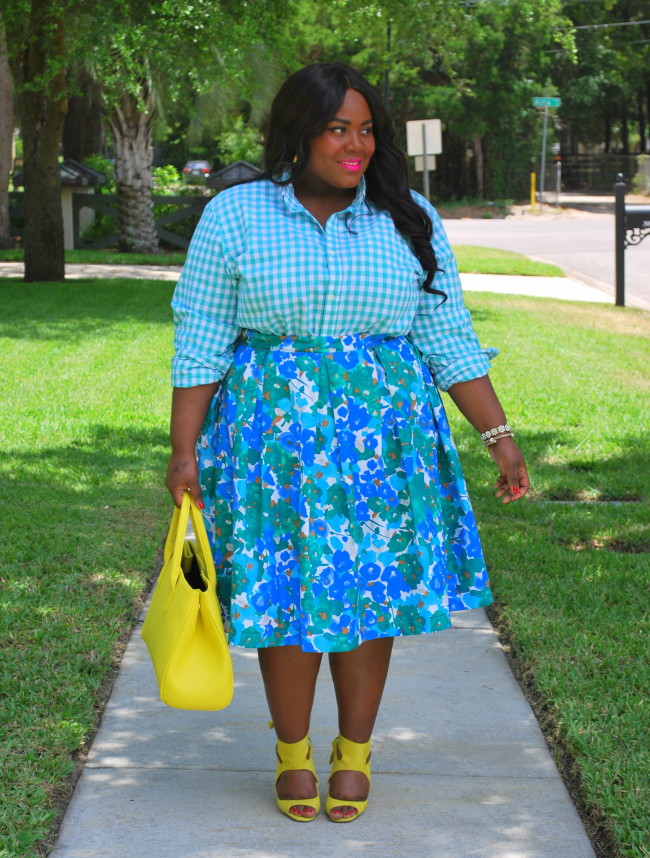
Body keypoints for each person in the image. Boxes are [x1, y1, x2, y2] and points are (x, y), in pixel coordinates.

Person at [166, 62, 529, 824]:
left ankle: (356, 752)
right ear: (299, 136)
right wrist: (184, 450)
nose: (356, 144)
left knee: (369, 602)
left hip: (385, 444)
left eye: (366, 129)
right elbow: (200, 341)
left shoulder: (407, 216)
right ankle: (293, 753)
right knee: (287, 595)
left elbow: (447, 336)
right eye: (338, 129)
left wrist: (497, 436)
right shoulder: (236, 216)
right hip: (275, 445)